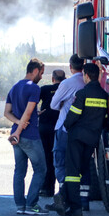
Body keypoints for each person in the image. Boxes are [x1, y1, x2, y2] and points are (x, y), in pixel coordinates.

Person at [55, 63, 108, 216]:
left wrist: (67, 125)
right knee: (82, 169)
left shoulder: (82, 93)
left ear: (85, 75)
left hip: (77, 137)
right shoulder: (104, 95)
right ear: (97, 76)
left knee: (72, 172)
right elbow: (105, 119)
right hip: (92, 139)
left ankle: (75, 207)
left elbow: (73, 115)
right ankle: (65, 198)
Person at [3, 58, 48, 215]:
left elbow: (7, 113)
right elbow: (27, 113)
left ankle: (20, 206)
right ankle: (31, 205)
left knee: (19, 170)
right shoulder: (34, 88)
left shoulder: (14, 88)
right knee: (41, 169)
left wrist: (16, 125)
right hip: (28, 135)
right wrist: (19, 130)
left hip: (17, 136)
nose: (41, 77)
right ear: (35, 71)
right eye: (41, 73)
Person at [47, 54, 85, 210]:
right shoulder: (87, 82)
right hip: (82, 130)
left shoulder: (67, 83)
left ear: (70, 67)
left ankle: (63, 198)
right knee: (77, 165)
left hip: (64, 128)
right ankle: (78, 201)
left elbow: (53, 105)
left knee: (60, 163)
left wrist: (64, 101)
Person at [38, 69, 66, 197]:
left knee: (46, 158)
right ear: (64, 79)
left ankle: (47, 189)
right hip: (59, 128)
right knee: (59, 159)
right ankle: (62, 189)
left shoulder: (44, 89)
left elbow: (32, 102)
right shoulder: (67, 88)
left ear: (53, 79)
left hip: (44, 127)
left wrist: (35, 114)